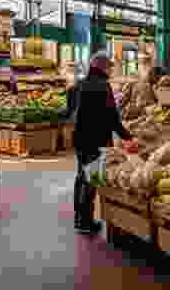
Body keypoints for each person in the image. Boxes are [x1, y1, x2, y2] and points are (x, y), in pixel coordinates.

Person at [59, 51, 136, 234]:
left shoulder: (78, 85)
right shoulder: (103, 86)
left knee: (80, 177)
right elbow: (112, 118)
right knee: (91, 180)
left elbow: (67, 111)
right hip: (97, 140)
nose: (110, 69)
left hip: (79, 139)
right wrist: (127, 137)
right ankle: (86, 222)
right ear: (102, 67)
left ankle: (79, 218)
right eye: (109, 66)